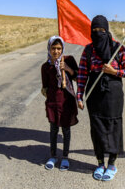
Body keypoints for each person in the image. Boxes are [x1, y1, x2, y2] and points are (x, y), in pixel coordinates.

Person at [77, 15, 125, 181]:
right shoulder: (88, 50)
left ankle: (112, 164)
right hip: (94, 94)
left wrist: (115, 72)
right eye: (94, 30)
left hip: (113, 94)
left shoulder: (118, 48)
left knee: (113, 127)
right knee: (97, 128)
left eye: (101, 30)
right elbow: (81, 76)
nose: (98, 33)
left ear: (107, 30)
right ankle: (100, 163)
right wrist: (80, 96)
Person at [41, 36, 79, 171]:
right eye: (53, 48)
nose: (56, 51)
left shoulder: (68, 60)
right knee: (53, 129)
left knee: (66, 130)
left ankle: (65, 157)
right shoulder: (45, 67)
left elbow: (78, 77)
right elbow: (44, 87)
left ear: (62, 48)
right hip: (52, 103)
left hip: (66, 102)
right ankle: (53, 156)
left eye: (59, 48)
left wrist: (68, 69)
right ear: (49, 49)